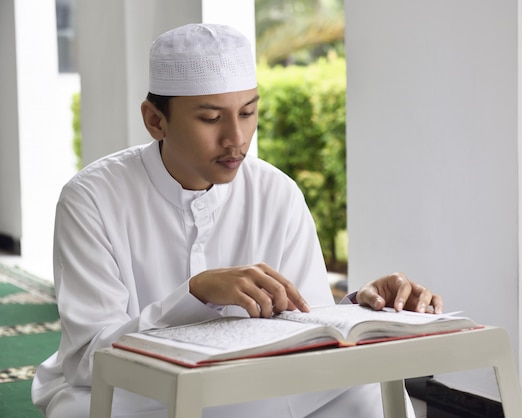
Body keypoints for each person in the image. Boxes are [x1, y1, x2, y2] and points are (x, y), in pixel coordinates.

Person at [32, 23, 443, 417]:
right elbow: (89, 360)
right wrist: (195, 295)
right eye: (211, 118)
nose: (237, 138)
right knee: (80, 409)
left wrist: (363, 307)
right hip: (140, 395)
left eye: (247, 112)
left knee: (368, 395)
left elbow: (310, 323)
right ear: (156, 120)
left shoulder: (276, 192)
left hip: (256, 384)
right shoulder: (91, 200)